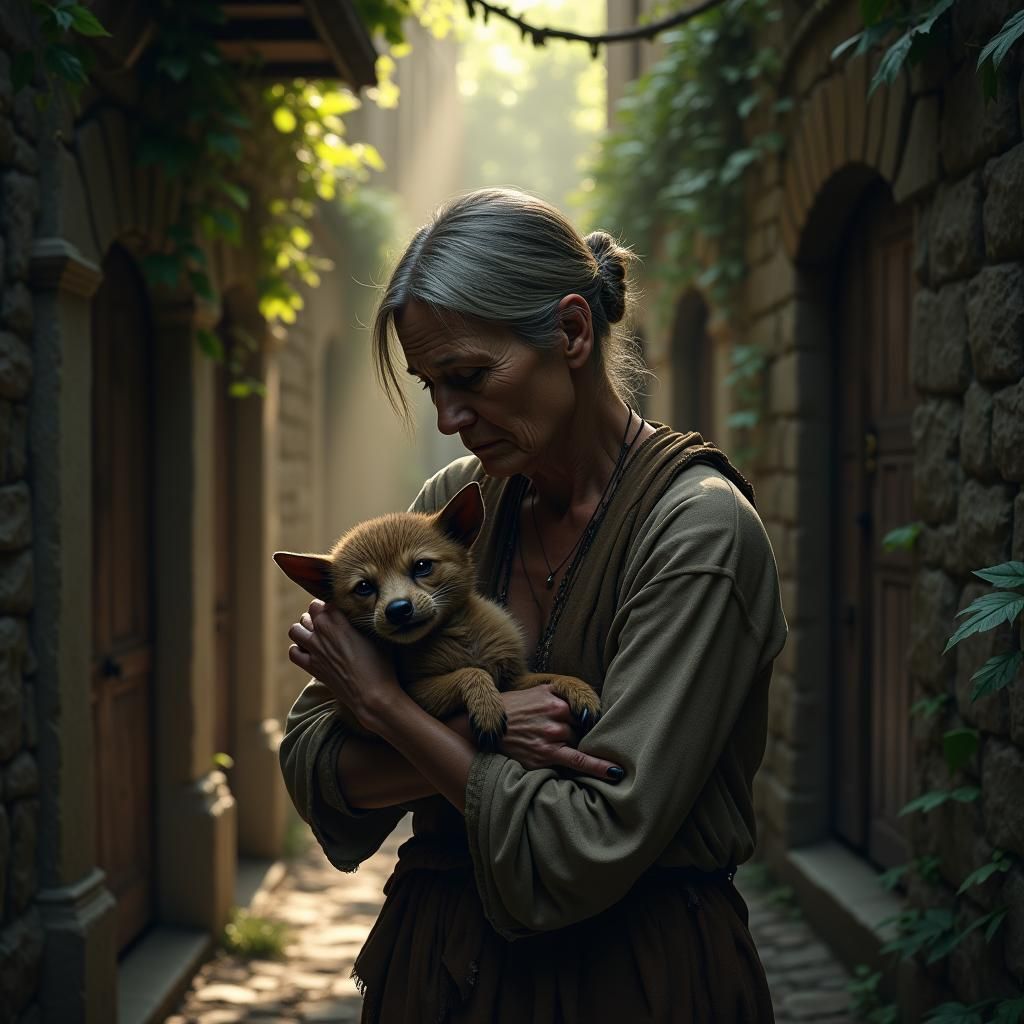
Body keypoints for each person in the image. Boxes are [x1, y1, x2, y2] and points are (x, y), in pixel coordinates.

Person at [279, 188, 788, 1023]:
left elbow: (580, 845)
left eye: (470, 377)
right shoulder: (463, 502)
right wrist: (487, 730)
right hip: (438, 975)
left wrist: (384, 705)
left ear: (573, 333)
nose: (448, 420)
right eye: (430, 386)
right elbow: (313, 763)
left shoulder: (699, 534)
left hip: (636, 980)